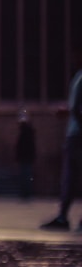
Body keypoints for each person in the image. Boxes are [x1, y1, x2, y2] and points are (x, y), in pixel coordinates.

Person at [40, 66, 82, 232]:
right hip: (74, 133)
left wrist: (72, 112)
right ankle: (63, 216)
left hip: (77, 135)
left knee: (71, 176)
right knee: (69, 177)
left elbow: (78, 108)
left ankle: (64, 217)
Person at [15, 111, 36, 201]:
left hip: (26, 157)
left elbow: (27, 146)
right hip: (25, 157)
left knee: (26, 176)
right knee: (24, 176)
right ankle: (24, 194)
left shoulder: (27, 130)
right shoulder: (25, 130)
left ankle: (26, 195)